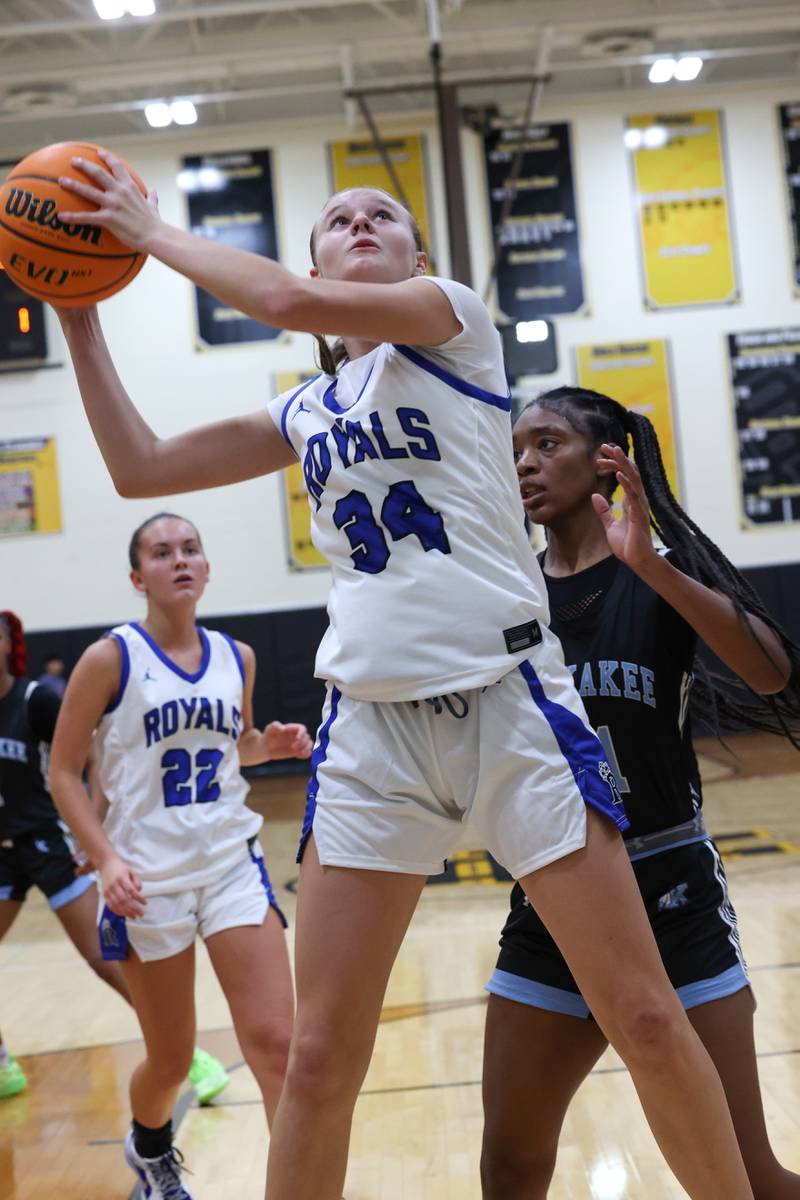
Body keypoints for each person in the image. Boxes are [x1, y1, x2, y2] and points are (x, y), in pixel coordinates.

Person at [54, 156, 757, 1200]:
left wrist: (144, 232)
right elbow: (139, 468)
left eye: (381, 214)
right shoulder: (304, 411)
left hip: (510, 708)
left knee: (645, 1016)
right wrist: (78, 310)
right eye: (337, 218)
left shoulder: (451, 327)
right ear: (326, 266)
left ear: (411, 264)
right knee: (323, 1060)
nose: (360, 221)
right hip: (371, 738)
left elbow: (283, 298)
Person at [481, 387, 800, 1200]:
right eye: (517, 447)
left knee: (749, 1175)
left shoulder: (659, 572)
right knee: (511, 1166)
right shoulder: (506, 593)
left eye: (548, 443)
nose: (525, 461)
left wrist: (652, 568)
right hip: (553, 892)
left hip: (672, 892)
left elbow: (770, 673)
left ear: (607, 461)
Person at [48, 512, 310, 1199]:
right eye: (162, 553)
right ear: (138, 578)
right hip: (146, 878)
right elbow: (63, 773)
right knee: (169, 1060)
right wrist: (104, 859)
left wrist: (268, 745)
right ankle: (151, 1144)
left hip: (230, 863)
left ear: (207, 566)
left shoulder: (237, 656)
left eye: (190, 548)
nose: (180, 560)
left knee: (278, 1047)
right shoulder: (110, 658)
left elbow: (235, 744)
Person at [0, 608, 233, 1107]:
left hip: (50, 841)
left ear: (6, 645)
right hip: (1, 850)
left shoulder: (35, 699)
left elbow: (92, 755)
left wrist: (95, 826)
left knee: (104, 960)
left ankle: (187, 1056)